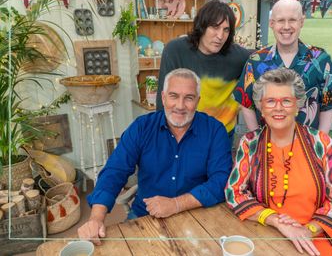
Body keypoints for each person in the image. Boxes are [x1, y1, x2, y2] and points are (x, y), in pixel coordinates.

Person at [79, 68, 232, 244]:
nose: (180, 106)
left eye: (189, 98)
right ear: (163, 97)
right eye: (174, 96)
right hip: (146, 216)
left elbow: (222, 180)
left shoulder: (214, 130)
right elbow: (115, 171)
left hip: (197, 214)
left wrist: (176, 204)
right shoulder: (142, 127)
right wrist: (96, 218)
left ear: (198, 101)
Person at [225, 68, 332, 256]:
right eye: (270, 101)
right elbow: (234, 192)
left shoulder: (322, 143)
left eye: (286, 101)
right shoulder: (250, 143)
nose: (278, 108)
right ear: (260, 106)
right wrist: (275, 220)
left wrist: (306, 230)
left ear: (298, 104)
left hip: (314, 235)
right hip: (266, 231)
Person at [234, 0, 332, 134]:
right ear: (272, 23)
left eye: (292, 20)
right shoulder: (256, 61)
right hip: (268, 146)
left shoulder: (320, 59)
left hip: (307, 145)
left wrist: (320, 141)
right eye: (280, 20)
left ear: (301, 22)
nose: (286, 26)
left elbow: (329, 105)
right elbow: (246, 103)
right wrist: (257, 139)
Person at [156, 0, 251, 139]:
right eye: (214, 27)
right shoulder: (175, 50)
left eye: (226, 30)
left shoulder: (239, 56)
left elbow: (267, 58)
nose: (220, 36)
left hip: (222, 136)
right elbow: (162, 101)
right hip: (183, 134)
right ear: (202, 26)